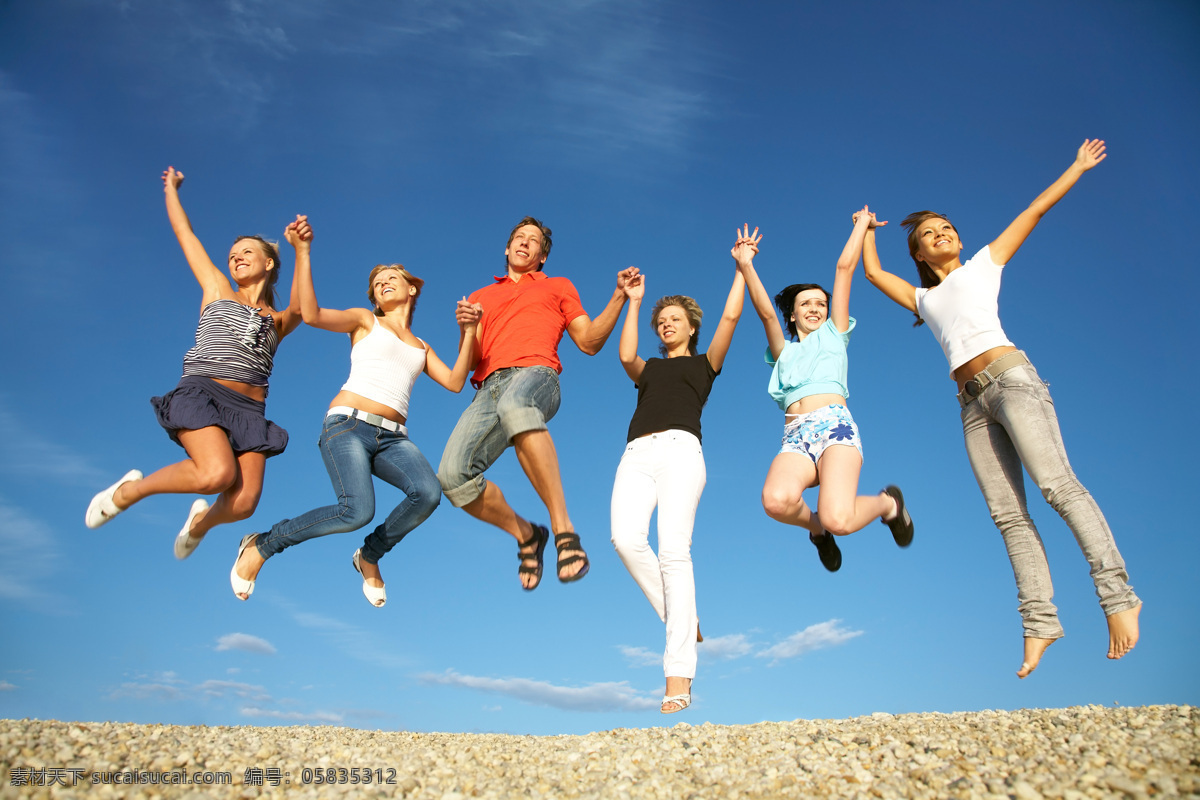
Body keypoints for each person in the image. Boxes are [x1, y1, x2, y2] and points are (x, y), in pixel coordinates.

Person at [860, 139, 1140, 677]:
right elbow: (873, 275)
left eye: (946, 229)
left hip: (1011, 382)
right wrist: (868, 231)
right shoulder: (923, 298)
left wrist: (1076, 167)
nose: (941, 235)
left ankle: (1118, 598)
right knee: (1008, 516)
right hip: (970, 405)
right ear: (918, 255)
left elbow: (1034, 209)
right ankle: (1040, 625)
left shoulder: (984, 264)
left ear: (958, 240)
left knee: (1058, 487)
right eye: (927, 235)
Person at [228, 225, 478, 604]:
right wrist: (305, 251)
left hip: (394, 438)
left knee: (427, 494)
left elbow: (457, 382)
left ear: (412, 289)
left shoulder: (421, 346)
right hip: (347, 426)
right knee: (356, 511)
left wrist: (469, 331)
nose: (383, 283)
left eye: (392, 278)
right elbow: (309, 314)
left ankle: (370, 555)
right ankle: (262, 545)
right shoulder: (365, 321)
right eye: (378, 283)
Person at [85, 167, 303, 556]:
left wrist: (301, 250)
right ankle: (127, 492)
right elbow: (186, 234)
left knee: (243, 503)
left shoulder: (279, 320)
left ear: (269, 263)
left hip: (250, 410)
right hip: (204, 391)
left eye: (247, 252)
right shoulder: (217, 288)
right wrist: (171, 190)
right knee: (216, 474)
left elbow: (305, 307)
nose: (237, 258)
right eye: (233, 254)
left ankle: (199, 522)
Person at [437, 216, 638, 589]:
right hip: (487, 388)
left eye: (533, 241)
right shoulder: (481, 296)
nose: (524, 243)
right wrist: (468, 328)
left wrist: (619, 296)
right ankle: (528, 535)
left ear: (542, 256)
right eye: (518, 237)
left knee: (516, 405)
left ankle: (564, 530)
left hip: (537, 375)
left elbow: (589, 341)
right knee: (452, 477)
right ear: (507, 247)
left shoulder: (558, 286)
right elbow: (469, 361)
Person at [609, 229, 749, 714]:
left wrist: (741, 266)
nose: (666, 325)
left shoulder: (706, 363)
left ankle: (677, 678)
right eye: (661, 321)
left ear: (691, 326)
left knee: (673, 552)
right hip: (637, 454)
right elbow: (625, 355)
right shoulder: (647, 368)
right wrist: (634, 301)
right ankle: (681, 616)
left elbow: (731, 314)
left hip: (681, 452)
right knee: (625, 539)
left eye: (674, 320)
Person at [739, 213, 914, 573]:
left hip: (834, 426)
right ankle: (816, 530)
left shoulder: (835, 334)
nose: (815, 308)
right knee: (776, 501)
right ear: (793, 315)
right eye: (806, 304)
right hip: (795, 436)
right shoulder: (783, 352)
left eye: (820, 303)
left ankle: (887, 505)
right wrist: (745, 265)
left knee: (841, 520)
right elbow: (765, 315)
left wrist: (861, 227)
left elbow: (844, 268)